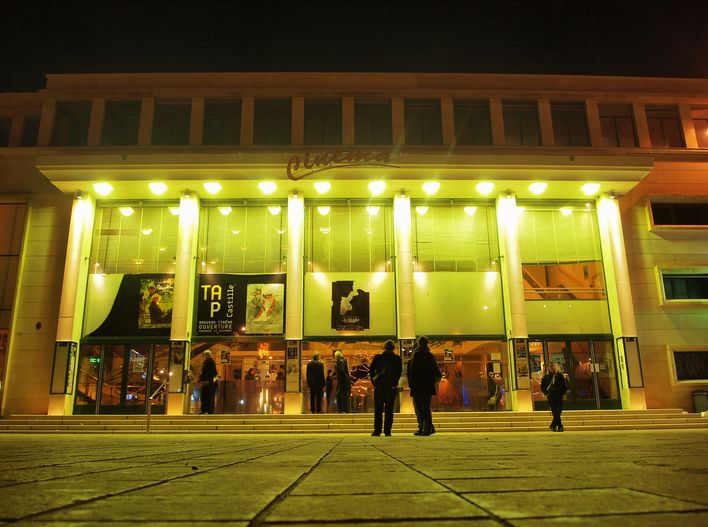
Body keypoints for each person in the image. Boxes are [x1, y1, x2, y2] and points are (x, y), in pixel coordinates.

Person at [407, 336, 442, 436]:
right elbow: (435, 370)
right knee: (426, 407)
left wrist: (411, 385)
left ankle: (423, 427)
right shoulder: (429, 355)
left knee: (419, 408)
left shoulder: (415, 355)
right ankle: (427, 427)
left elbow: (412, 371)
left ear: (418, 343)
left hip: (417, 386)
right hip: (428, 385)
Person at [369, 340, 402, 436]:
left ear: (384, 347)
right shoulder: (397, 359)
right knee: (389, 409)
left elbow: (371, 370)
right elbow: (399, 372)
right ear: (393, 348)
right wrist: (394, 383)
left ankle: (377, 430)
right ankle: (388, 430)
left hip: (379, 386)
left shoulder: (378, 358)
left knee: (378, 409)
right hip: (390, 387)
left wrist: (374, 381)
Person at [541, 361, 568, 432]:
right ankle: (560, 426)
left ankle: (553, 425)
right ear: (548, 368)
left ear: (555, 366)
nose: (552, 367)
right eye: (550, 366)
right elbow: (543, 387)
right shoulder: (546, 376)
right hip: (551, 396)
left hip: (559, 395)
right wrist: (547, 393)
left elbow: (564, 385)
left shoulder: (559, 375)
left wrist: (562, 392)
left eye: (553, 366)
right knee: (554, 411)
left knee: (558, 410)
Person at [198, 350, 218, 414]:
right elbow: (214, 372)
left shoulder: (209, 362)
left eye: (204, 355)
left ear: (206, 355)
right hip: (208, 381)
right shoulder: (210, 362)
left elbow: (208, 372)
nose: (204, 357)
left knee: (205, 396)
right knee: (207, 397)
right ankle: (207, 410)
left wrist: (201, 378)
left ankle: (206, 410)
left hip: (207, 382)